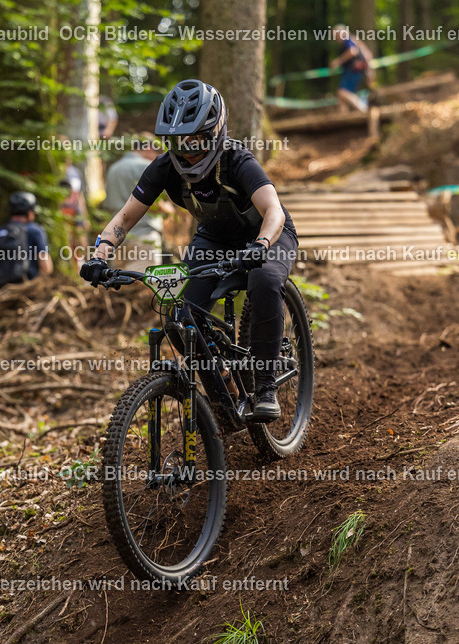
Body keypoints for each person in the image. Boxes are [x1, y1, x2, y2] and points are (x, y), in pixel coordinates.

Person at [80, 80, 297, 422]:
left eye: (195, 141)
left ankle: (266, 386)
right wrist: (100, 255)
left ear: (214, 133)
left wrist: (261, 246)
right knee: (178, 319)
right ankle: (225, 390)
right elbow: (124, 217)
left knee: (265, 279)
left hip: (268, 235)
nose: (188, 151)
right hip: (213, 239)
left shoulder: (237, 160)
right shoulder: (165, 167)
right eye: (178, 142)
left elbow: (274, 211)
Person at [102, 133, 175, 272]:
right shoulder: (147, 167)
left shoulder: (114, 168)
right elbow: (151, 204)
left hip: (116, 237)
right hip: (144, 236)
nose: (157, 157)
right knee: (143, 287)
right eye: (156, 152)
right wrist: (168, 209)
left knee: (120, 286)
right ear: (148, 148)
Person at [0, 191, 52, 289]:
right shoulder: (34, 230)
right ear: (29, 212)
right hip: (27, 288)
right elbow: (45, 264)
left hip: (1, 290)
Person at [329, 24, 374, 113]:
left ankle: (363, 109)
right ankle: (343, 118)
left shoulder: (347, 39)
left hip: (352, 70)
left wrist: (338, 61)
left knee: (342, 92)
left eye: (335, 35)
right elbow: (367, 54)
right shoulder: (354, 39)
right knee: (342, 97)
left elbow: (352, 51)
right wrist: (370, 71)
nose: (335, 38)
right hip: (354, 70)